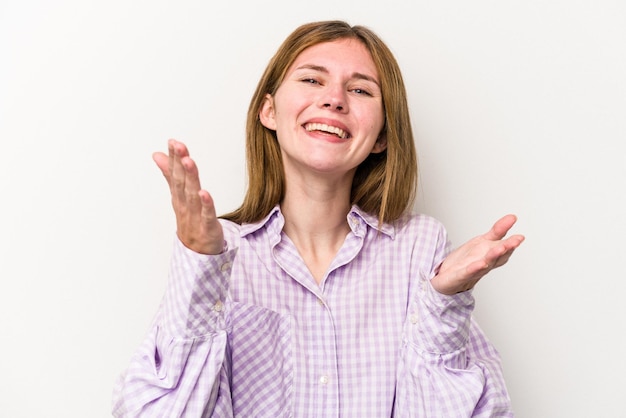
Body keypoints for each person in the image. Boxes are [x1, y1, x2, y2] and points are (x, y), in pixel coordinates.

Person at [112, 20, 524, 417]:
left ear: (381, 135)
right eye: (312, 80)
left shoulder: (420, 247)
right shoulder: (222, 256)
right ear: (269, 111)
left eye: (361, 89)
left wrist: (443, 302)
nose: (334, 99)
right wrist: (201, 263)